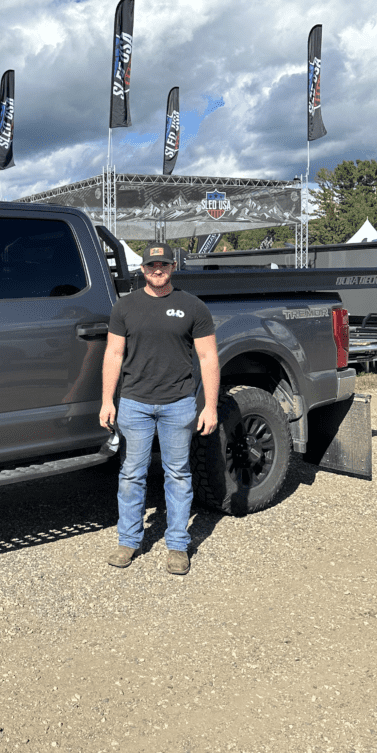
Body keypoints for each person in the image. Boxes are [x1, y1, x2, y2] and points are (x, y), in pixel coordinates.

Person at [100, 242, 220, 575]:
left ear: (172, 267)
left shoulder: (192, 307)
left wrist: (209, 406)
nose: (158, 270)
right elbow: (113, 355)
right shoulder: (125, 307)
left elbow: (209, 358)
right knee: (131, 474)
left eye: (164, 264)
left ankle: (178, 546)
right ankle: (128, 541)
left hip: (178, 404)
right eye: (152, 264)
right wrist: (108, 400)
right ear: (142, 269)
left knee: (178, 475)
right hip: (134, 404)